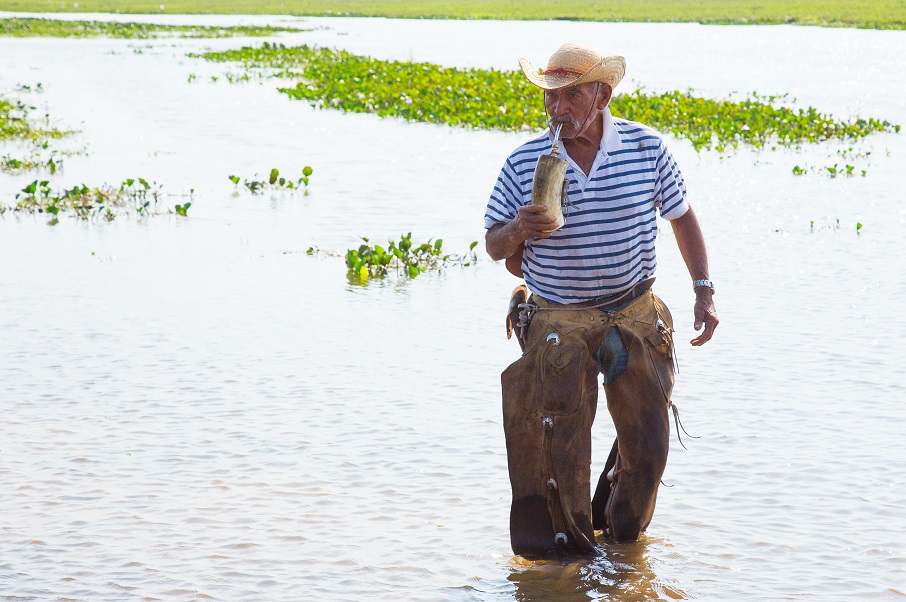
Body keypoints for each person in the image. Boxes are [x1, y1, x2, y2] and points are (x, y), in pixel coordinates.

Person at [484, 43, 718, 559]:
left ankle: (621, 541)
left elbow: (682, 217)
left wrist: (704, 290)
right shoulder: (525, 161)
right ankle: (566, 566)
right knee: (558, 449)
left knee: (649, 448)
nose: (556, 110)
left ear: (602, 94)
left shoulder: (646, 148)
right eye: (550, 98)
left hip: (635, 312)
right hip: (557, 316)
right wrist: (519, 228)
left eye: (569, 97)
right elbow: (494, 244)